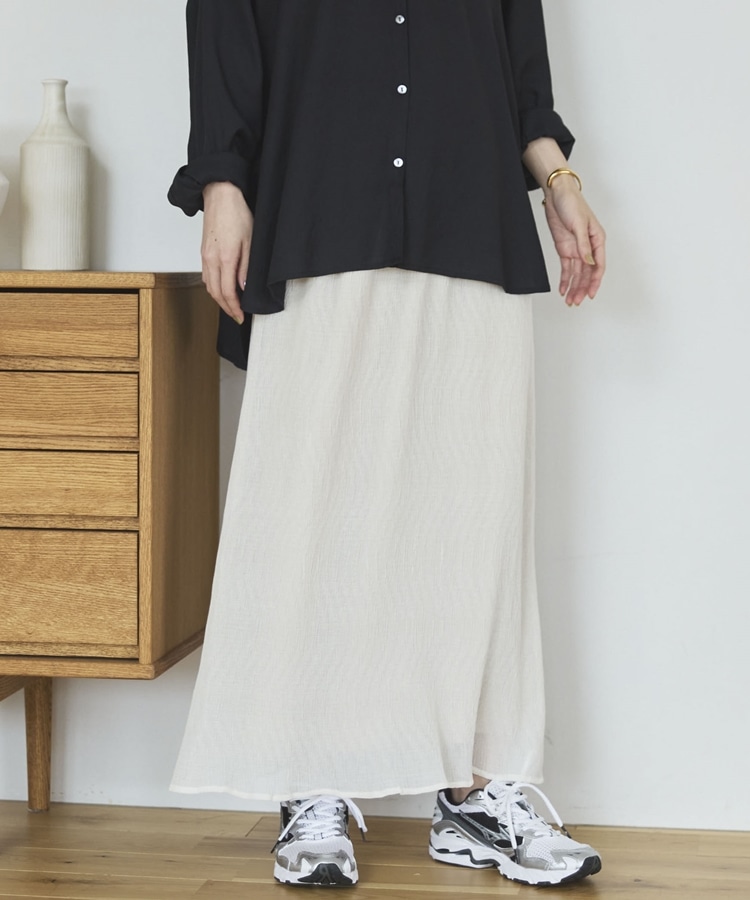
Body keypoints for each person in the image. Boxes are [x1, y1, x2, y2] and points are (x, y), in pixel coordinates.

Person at [168, 0, 606, 890]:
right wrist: (222, 187)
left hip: (471, 207)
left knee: (475, 516)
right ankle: (311, 782)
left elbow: (517, 55)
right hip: (316, 203)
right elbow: (223, 25)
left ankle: (477, 790)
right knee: (312, 508)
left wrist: (559, 180)